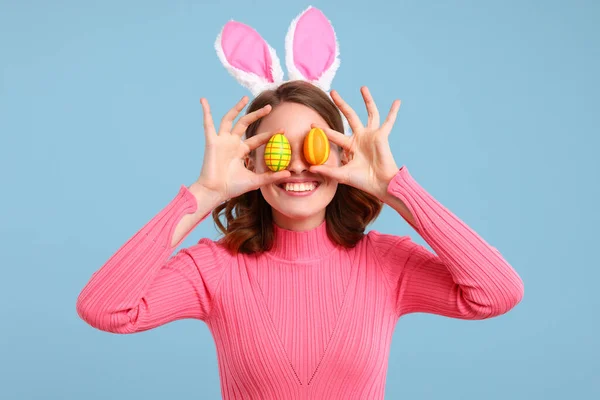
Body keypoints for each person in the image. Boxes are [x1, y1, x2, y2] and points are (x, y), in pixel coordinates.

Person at [76, 7, 524, 399]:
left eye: (312, 145)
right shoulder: (215, 269)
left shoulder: (388, 262)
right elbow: (105, 309)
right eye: (274, 150)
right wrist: (204, 194)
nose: (295, 167)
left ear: (344, 156)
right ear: (249, 163)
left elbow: (497, 294)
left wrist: (394, 188)